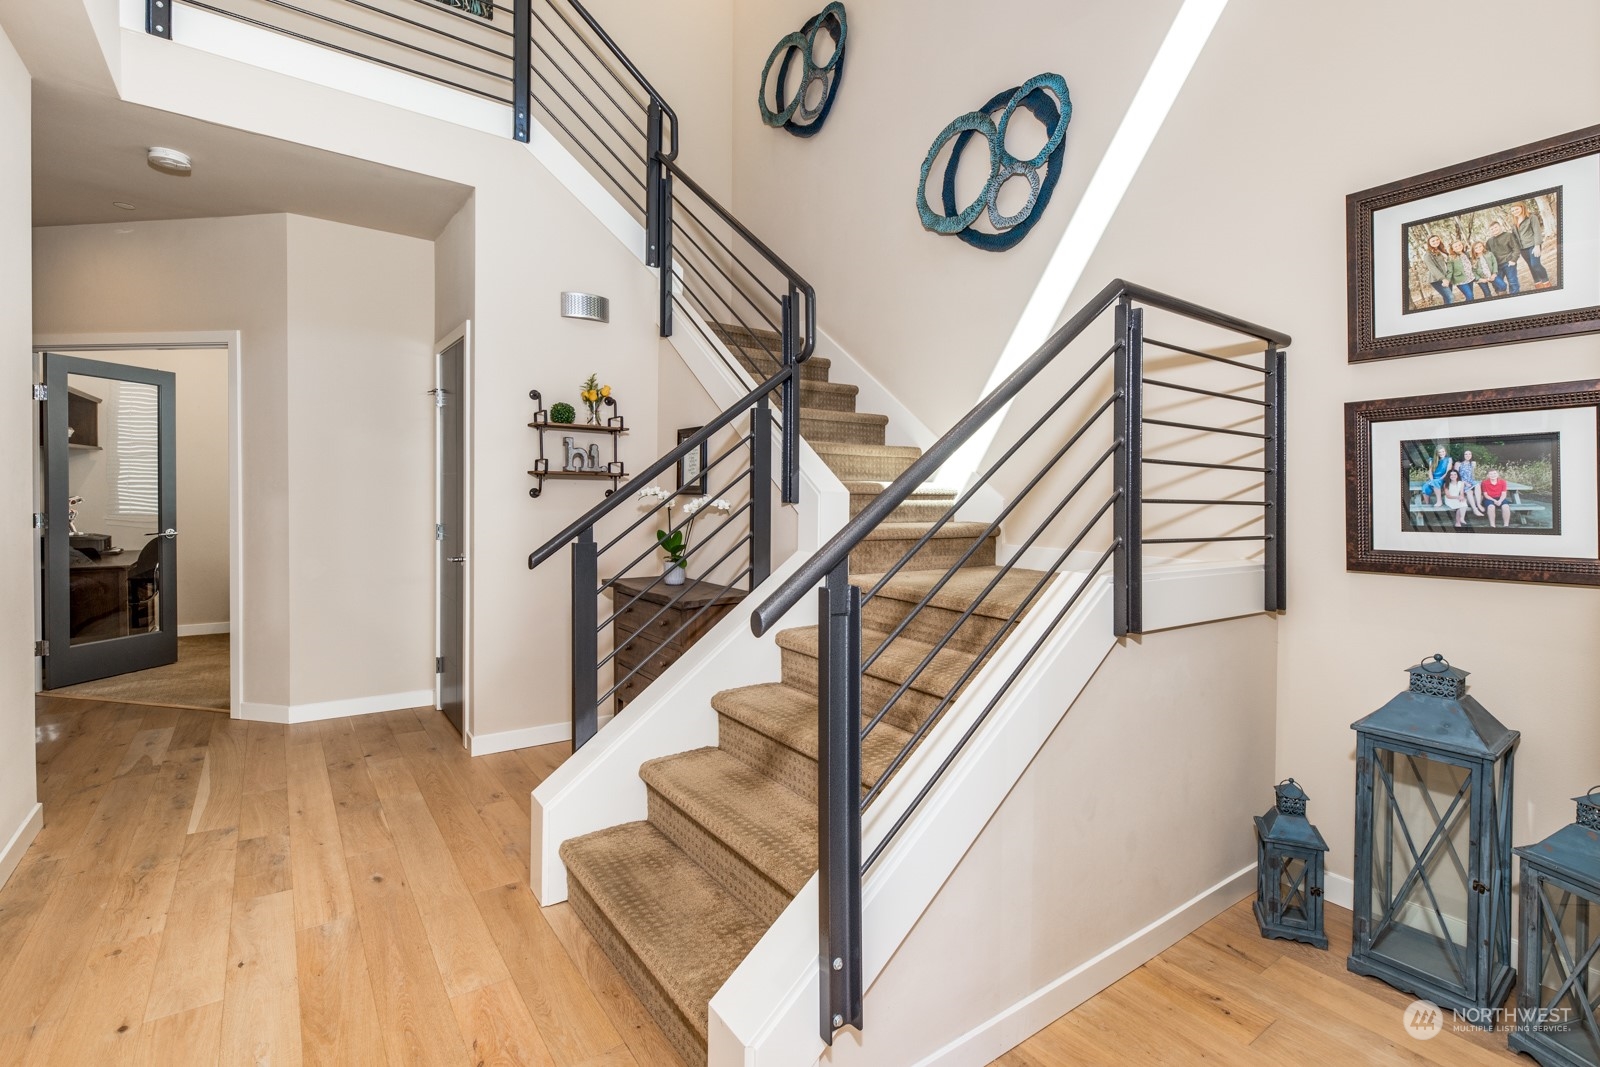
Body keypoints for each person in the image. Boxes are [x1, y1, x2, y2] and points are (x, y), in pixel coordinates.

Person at [1509, 201, 1551, 287]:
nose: (1515, 212)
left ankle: (1546, 282)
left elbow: (1537, 232)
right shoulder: (1514, 222)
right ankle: (1538, 283)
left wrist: (1537, 245)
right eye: (1512, 211)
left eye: (1516, 209)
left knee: (1535, 264)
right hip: (1522, 248)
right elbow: (1514, 237)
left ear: (1522, 207)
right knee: (1530, 266)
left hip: (1533, 245)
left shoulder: (1531, 217)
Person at [1485, 218, 1521, 294]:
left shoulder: (1508, 235)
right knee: (1497, 283)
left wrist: (1513, 260)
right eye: (1492, 229)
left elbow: (1516, 248)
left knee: (1512, 282)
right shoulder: (1489, 241)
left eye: (1495, 227)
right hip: (1496, 266)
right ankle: (1502, 297)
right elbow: (1487, 255)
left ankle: (1515, 296)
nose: (1494, 229)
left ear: (1500, 226)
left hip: (1508, 263)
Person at [1419, 234, 1456, 306]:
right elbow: (1432, 268)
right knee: (1451, 297)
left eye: (1437, 239)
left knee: (1447, 298)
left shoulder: (1442, 250)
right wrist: (1443, 279)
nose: (1436, 241)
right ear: (1429, 243)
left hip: (1447, 277)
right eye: (1433, 241)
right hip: (1437, 279)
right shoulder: (1428, 255)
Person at [1456, 449, 1485, 515]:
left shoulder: (1472, 463)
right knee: (1469, 492)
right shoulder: (1458, 463)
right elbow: (1456, 476)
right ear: (1463, 455)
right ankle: (1475, 509)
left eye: (1469, 454)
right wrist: (1465, 483)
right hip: (1462, 482)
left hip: (1470, 480)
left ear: (1471, 455)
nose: (1468, 455)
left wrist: (1472, 482)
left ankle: (1478, 504)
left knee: (1477, 485)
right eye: (1466, 454)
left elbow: (1472, 474)